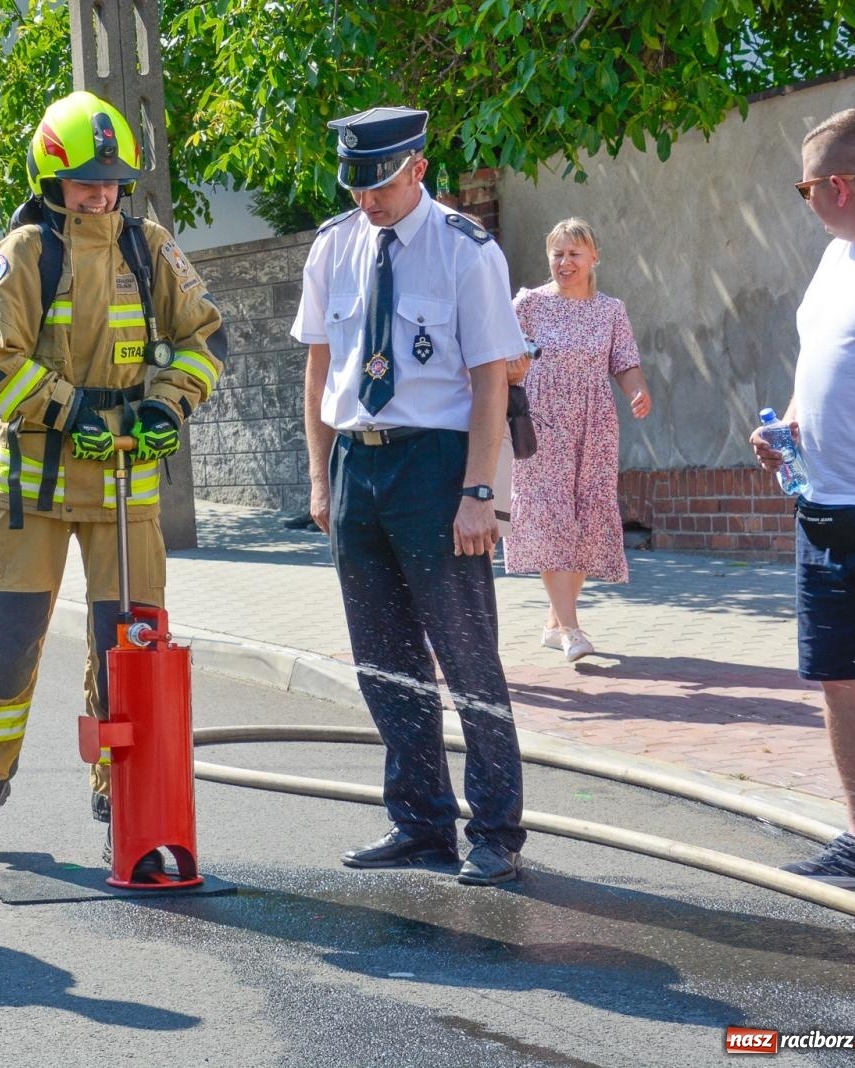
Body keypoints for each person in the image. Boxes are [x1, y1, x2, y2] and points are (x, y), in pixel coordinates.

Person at [0, 91, 226, 873]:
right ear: (51, 179)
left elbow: (204, 336)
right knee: (5, 649)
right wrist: (68, 412)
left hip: (126, 495)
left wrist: (170, 401)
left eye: (112, 182)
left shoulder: (149, 244)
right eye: (86, 182)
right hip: (31, 496)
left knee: (128, 652)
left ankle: (124, 803)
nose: (101, 194)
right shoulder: (24, 252)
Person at [293, 106, 528, 886]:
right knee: (383, 659)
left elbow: (492, 375)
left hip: (437, 466)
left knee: (466, 656)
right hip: (359, 466)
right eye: (357, 186)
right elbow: (320, 370)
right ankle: (419, 821)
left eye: (384, 184)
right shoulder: (333, 247)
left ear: (418, 168)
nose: (370, 200)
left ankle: (495, 830)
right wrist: (323, 478)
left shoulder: (466, 250)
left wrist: (481, 492)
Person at [751, 108, 855, 889]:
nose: (802, 200)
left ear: (835, 186)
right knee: (843, 676)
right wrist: (791, 425)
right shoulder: (838, 258)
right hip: (828, 508)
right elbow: (826, 360)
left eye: (804, 186)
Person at [504, 219, 651, 661]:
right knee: (550, 518)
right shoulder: (528, 304)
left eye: (574, 254)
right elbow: (499, 355)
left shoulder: (610, 310)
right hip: (540, 425)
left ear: (594, 258)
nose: (565, 262)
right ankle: (571, 629)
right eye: (558, 253)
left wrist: (637, 391)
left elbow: (624, 362)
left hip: (594, 426)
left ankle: (553, 622)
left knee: (587, 520)